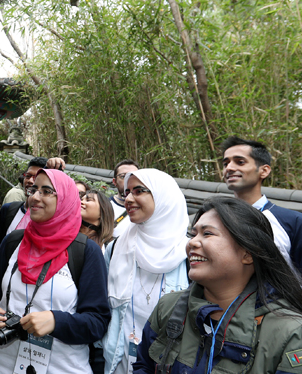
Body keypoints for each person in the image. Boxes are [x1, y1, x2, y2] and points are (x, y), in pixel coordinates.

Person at [133, 197, 302, 373]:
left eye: (207, 234)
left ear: (248, 254)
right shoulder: (168, 308)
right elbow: (143, 366)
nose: (191, 243)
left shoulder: (290, 332)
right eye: (193, 234)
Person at [0, 169, 111, 374]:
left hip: (62, 368)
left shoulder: (85, 251)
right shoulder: (13, 242)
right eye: (33, 189)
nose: (35, 197)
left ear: (65, 199)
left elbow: (97, 322)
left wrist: (57, 321)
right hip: (1, 366)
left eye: (47, 191)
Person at [103, 168, 190, 374]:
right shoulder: (116, 248)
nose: (129, 199)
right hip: (118, 363)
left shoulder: (190, 254)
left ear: (163, 196)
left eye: (139, 191)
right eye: (127, 193)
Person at [220, 136, 302, 274]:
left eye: (240, 162)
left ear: (264, 171)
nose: (229, 168)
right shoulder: (217, 219)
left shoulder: (291, 221)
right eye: (225, 164)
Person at [110, 159, 140, 238]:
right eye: (123, 176)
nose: (129, 180)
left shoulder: (148, 207)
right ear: (114, 182)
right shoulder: (105, 206)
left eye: (134, 176)